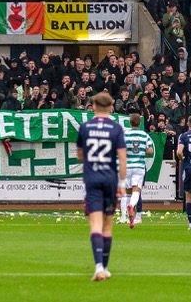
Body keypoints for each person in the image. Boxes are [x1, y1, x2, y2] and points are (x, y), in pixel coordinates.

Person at [75, 92, 126, 281]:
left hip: (92, 179)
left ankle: (98, 268)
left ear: (93, 107)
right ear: (111, 108)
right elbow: (122, 158)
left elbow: (80, 155)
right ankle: (104, 267)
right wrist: (121, 183)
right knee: (107, 226)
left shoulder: (85, 127)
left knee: (95, 224)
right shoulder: (116, 128)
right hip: (110, 180)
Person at [123, 113, 154, 228]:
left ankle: (127, 216)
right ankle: (133, 208)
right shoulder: (144, 135)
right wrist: (141, 152)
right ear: (140, 123)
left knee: (128, 192)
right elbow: (150, 151)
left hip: (127, 166)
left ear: (130, 122)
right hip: (139, 167)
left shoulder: (125, 134)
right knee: (137, 191)